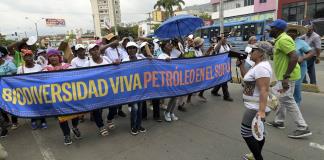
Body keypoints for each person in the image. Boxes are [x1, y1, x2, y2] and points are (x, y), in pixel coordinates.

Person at [265, 19, 312, 138]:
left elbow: (294, 57)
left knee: (288, 100)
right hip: (283, 76)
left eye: (272, 27)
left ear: (278, 29)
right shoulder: (279, 40)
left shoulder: (284, 40)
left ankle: (303, 127)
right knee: (280, 97)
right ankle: (279, 121)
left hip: (287, 76)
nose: (269, 29)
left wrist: (286, 77)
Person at [237, 41, 273, 160]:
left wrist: (261, 111)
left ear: (261, 53)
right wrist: (241, 65)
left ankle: (258, 158)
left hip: (256, 107)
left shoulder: (262, 67)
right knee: (258, 133)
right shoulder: (257, 65)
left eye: (253, 50)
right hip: (256, 105)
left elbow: (264, 89)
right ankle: (254, 155)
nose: (250, 52)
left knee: (245, 132)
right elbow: (247, 78)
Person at [43, 49, 82, 145]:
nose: (53, 57)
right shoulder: (45, 70)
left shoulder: (68, 67)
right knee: (62, 117)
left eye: (55, 55)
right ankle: (66, 135)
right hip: (57, 98)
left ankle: (75, 127)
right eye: (51, 56)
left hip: (71, 95)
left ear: (59, 57)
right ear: (48, 58)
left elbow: (76, 76)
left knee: (75, 114)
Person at [17, 49, 47, 130]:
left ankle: (43, 120)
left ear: (32, 57)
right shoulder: (20, 68)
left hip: (39, 91)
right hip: (28, 92)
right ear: (23, 58)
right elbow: (18, 80)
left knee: (41, 106)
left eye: (30, 56)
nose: (28, 58)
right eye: (26, 56)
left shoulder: (38, 66)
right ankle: (33, 120)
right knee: (31, 107)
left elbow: (43, 78)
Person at [86, 44, 110, 136]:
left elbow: (114, 69)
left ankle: (110, 119)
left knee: (112, 106)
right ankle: (101, 126)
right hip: (94, 90)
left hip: (108, 88)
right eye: (92, 50)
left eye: (97, 49)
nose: (95, 51)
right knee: (96, 109)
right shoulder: (87, 64)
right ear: (90, 52)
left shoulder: (106, 59)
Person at [286, 25, 314, 107]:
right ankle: (288, 101)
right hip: (288, 66)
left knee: (297, 84)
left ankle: (297, 101)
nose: (291, 33)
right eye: (290, 31)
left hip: (300, 67)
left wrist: (303, 57)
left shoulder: (301, 42)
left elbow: (311, 52)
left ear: (297, 34)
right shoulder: (284, 41)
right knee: (287, 84)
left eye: (294, 32)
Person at [104, 33, 129, 118]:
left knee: (120, 92)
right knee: (112, 93)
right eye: (113, 39)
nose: (115, 41)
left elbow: (126, 58)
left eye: (115, 39)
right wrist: (110, 44)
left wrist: (121, 61)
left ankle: (120, 110)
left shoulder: (120, 50)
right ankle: (113, 110)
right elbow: (100, 50)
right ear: (109, 41)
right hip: (110, 75)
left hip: (119, 74)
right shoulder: (107, 49)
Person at [125, 42, 146, 135]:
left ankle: (139, 124)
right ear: (127, 50)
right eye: (129, 48)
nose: (132, 49)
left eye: (133, 48)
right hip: (131, 89)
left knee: (140, 108)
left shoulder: (142, 59)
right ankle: (133, 126)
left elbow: (150, 62)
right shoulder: (124, 61)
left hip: (141, 88)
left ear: (136, 50)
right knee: (135, 108)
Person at [159, 41, 179, 122]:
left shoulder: (173, 54)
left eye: (171, 44)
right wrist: (165, 60)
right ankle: (167, 112)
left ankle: (171, 112)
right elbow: (160, 63)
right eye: (168, 45)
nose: (171, 45)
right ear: (164, 48)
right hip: (166, 80)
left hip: (174, 78)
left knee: (176, 96)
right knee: (173, 96)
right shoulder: (162, 55)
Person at [0, 46, 17, 137]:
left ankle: (14, 122)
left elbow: (15, 74)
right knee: (2, 106)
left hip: (9, 89)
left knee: (12, 104)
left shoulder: (9, 64)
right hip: (0, 90)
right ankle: (6, 122)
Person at [211, 36, 234, 102]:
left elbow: (231, 51)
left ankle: (214, 91)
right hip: (219, 65)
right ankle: (226, 96)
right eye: (224, 39)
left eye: (225, 38)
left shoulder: (228, 45)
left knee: (222, 79)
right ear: (220, 40)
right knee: (224, 80)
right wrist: (220, 41)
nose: (225, 39)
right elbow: (215, 50)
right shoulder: (217, 45)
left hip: (226, 65)